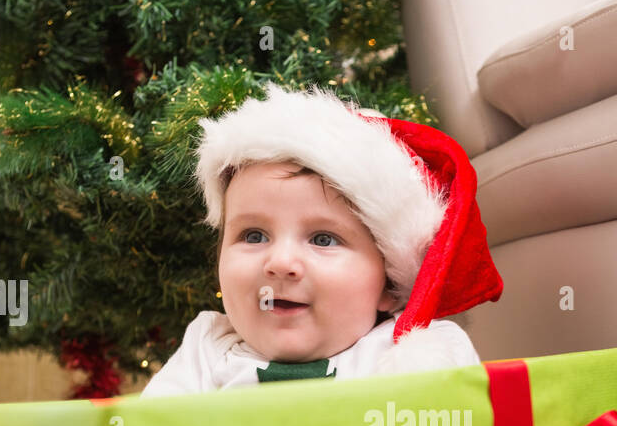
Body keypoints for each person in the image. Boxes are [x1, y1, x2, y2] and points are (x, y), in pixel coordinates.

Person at [140, 81, 503, 396]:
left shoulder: (413, 353)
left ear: (389, 283)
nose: (280, 263)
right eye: (253, 235)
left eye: (323, 239)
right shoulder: (206, 350)